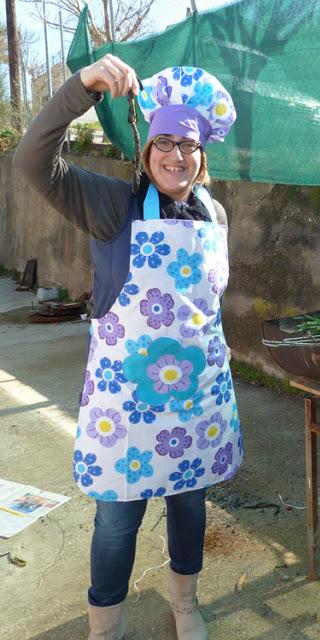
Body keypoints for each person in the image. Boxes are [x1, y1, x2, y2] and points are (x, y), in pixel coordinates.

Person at [14, 54, 243, 640]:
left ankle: (185, 606)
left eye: (187, 145)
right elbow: (33, 161)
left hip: (195, 404)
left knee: (190, 510)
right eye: (163, 141)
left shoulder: (214, 214)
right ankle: (104, 627)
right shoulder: (114, 208)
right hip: (128, 413)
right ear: (146, 151)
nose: (176, 155)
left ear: (202, 155)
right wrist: (82, 87)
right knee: (117, 521)